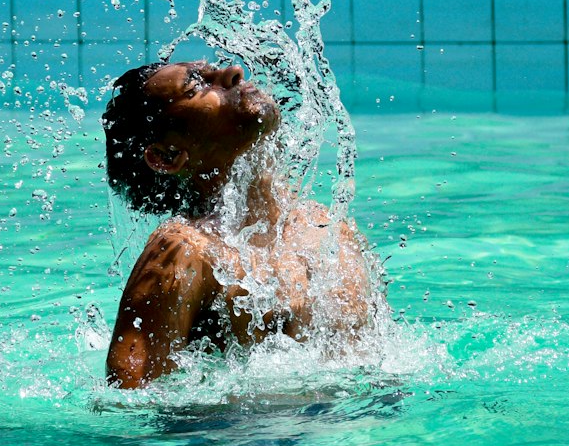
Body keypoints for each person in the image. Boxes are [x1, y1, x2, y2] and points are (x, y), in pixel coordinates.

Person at [102, 60, 378, 389]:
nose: (234, 72)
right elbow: (128, 404)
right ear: (168, 156)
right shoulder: (185, 252)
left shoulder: (329, 228)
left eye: (216, 69)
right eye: (196, 87)